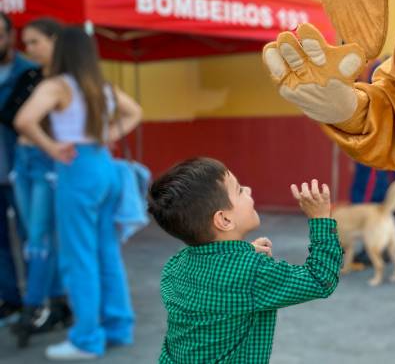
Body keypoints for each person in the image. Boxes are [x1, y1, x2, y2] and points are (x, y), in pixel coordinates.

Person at [14, 26, 143, 360]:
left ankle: (87, 338)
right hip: (104, 165)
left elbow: (24, 120)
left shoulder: (56, 86)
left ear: (61, 52)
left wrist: (53, 147)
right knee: (106, 252)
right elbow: (135, 113)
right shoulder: (100, 86)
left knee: (78, 257)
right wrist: (107, 134)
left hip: (77, 171)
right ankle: (118, 326)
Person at [147, 157, 341, 363]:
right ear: (224, 220)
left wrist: (245, 252)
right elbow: (321, 279)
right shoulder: (251, 272)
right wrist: (320, 218)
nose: (248, 190)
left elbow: (216, 272)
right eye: (239, 190)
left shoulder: (175, 265)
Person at [2, 18, 73, 347]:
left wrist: (52, 147)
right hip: (22, 162)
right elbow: (11, 115)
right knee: (35, 237)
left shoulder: (61, 79)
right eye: (27, 43)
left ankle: (38, 306)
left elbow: (19, 118)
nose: (29, 49)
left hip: (44, 163)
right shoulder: (32, 75)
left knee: (39, 238)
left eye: (35, 42)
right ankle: (50, 303)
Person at [0, 12, 39, 328]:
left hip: (24, 170)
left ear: (11, 35)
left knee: (33, 237)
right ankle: (10, 300)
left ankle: (37, 302)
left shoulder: (31, 72)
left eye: (0, 34)